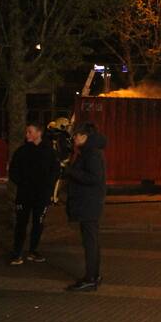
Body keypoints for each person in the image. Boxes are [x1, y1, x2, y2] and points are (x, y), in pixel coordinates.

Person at [64, 121, 107, 292]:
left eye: (76, 135)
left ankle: (90, 278)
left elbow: (93, 178)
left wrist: (70, 171)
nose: (74, 138)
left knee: (90, 242)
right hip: (90, 203)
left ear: (85, 137)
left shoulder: (91, 154)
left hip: (88, 203)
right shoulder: (90, 152)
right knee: (92, 241)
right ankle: (93, 275)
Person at [7, 123, 58, 265]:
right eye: (26, 132)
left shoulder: (49, 152)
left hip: (41, 196)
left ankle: (33, 250)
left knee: (38, 223)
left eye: (30, 132)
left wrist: (47, 188)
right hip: (24, 194)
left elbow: (55, 171)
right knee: (21, 223)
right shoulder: (22, 151)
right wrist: (23, 184)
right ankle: (17, 252)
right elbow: (13, 171)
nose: (27, 135)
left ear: (39, 133)